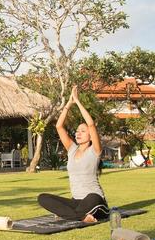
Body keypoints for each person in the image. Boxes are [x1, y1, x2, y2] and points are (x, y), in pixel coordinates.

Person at [38, 85, 108, 222]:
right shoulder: (72, 149)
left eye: (82, 131)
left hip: (95, 200)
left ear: (90, 135)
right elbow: (59, 126)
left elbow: (91, 124)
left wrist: (77, 101)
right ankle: (81, 216)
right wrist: (69, 104)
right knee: (42, 198)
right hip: (76, 201)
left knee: (92, 198)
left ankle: (70, 215)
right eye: (77, 131)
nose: (78, 133)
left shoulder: (95, 151)